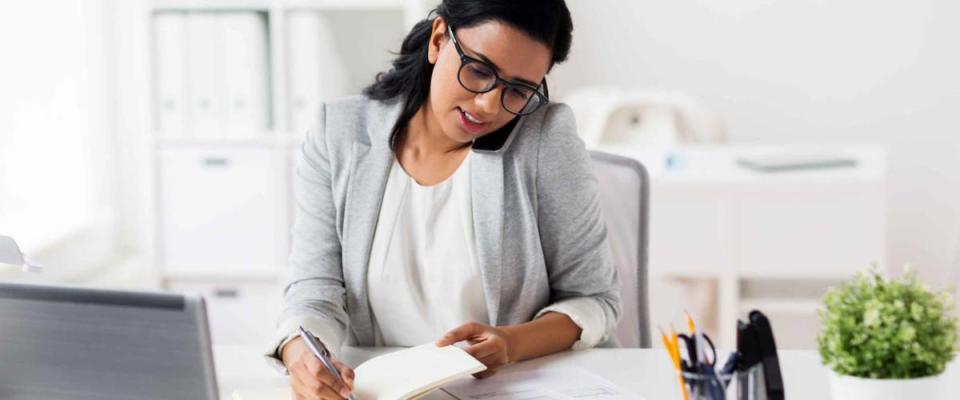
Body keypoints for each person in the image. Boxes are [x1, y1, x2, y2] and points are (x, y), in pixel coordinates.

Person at [264, 1, 622, 399]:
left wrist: (511, 343)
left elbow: (594, 300)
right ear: (438, 40)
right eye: (480, 70)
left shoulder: (544, 139)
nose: (488, 104)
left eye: (519, 90)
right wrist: (302, 353)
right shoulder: (340, 134)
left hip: (509, 388)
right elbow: (314, 291)